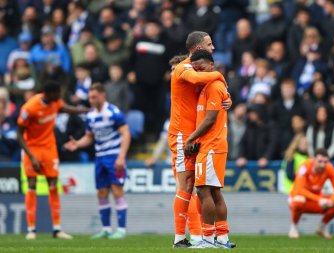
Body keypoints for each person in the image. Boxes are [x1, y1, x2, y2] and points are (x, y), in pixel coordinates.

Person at [168, 31, 230, 248]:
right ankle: (178, 238)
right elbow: (196, 79)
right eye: (209, 44)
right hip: (182, 135)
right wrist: (221, 77)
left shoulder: (200, 70)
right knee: (185, 184)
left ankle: (203, 236)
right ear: (197, 47)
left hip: (197, 135)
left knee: (199, 187)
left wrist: (226, 96)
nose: (213, 47)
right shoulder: (185, 68)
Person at [17, 81, 88, 240]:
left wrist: (87, 110)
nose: (60, 96)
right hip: (32, 147)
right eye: (57, 93)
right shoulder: (30, 108)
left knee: (53, 185)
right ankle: (31, 230)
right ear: (48, 94)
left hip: (49, 148)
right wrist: (31, 156)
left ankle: (56, 229)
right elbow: (19, 134)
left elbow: (66, 109)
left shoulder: (55, 102)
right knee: (32, 185)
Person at [145, 55, 202, 244]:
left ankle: (195, 235)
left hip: (189, 140)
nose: (173, 73)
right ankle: (193, 235)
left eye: (176, 68)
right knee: (186, 190)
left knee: (188, 191)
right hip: (180, 142)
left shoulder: (191, 89)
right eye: (171, 70)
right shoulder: (177, 95)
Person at [64, 84, 131, 239]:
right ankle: (106, 229)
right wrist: (77, 144)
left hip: (114, 156)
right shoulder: (91, 115)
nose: (91, 100)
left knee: (117, 191)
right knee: (101, 192)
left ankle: (121, 230)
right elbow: (89, 137)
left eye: (94, 97)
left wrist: (121, 156)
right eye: (90, 97)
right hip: (100, 157)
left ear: (103, 95)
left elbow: (126, 134)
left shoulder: (114, 113)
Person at [185, 49, 232, 248]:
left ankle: (208, 238)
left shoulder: (213, 86)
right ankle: (222, 238)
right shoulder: (209, 86)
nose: (199, 73)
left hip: (211, 146)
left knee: (203, 191)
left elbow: (210, 119)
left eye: (202, 68)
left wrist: (191, 138)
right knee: (214, 193)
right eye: (196, 70)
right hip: (213, 145)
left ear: (211, 66)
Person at [288, 148, 334, 239]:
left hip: (316, 201)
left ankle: (321, 227)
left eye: (325, 162)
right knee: (299, 200)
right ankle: (294, 227)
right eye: (319, 162)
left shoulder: (329, 168)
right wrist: (319, 199)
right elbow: (299, 190)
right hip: (298, 200)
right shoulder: (304, 166)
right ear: (313, 159)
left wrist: (331, 200)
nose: (323, 165)